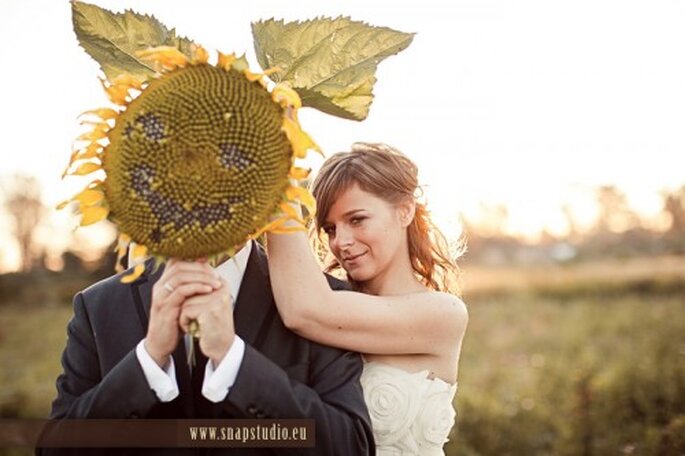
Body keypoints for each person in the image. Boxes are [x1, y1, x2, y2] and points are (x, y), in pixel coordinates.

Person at [38, 239, 374, 455]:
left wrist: (235, 361)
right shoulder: (99, 306)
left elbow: (350, 447)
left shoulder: (323, 301)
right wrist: (148, 361)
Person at [266, 142, 469, 455]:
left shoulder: (443, 314)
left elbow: (304, 310)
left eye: (357, 219)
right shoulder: (329, 302)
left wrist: (277, 170)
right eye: (330, 228)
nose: (341, 242)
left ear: (404, 210)